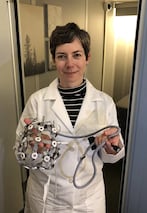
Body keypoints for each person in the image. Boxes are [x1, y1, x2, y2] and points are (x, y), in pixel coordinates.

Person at [15, 22, 125, 213]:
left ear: (87, 57)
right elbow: (20, 153)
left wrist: (111, 146)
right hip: (46, 200)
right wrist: (34, 147)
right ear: (53, 60)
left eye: (77, 55)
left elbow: (113, 154)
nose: (70, 64)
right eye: (61, 56)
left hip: (88, 201)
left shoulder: (104, 102)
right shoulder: (38, 101)